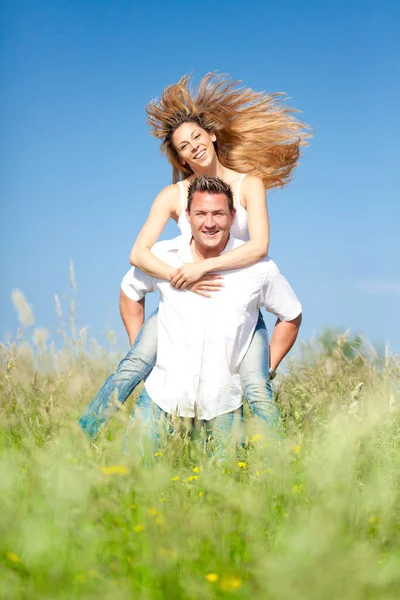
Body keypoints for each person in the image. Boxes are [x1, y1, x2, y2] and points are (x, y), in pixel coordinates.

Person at [79, 74, 309, 437]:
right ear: (181, 158)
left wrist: (206, 266)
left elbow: (259, 246)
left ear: (212, 136)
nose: (194, 147)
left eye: (197, 137)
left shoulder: (249, 185)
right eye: (184, 146)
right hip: (184, 304)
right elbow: (138, 253)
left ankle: (278, 466)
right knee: (133, 366)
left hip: (238, 308)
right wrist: (178, 275)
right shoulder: (173, 195)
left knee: (255, 387)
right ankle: (81, 438)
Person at [121, 175, 301, 455]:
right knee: (129, 478)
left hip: (224, 403)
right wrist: (141, 349)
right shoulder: (165, 256)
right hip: (161, 396)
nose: (209, 223)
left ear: (232, 216)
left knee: (223, 487)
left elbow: (291, 314)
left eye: (218, 213)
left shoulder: (259, 269)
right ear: (188, 217)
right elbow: (130, 291)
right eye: (201, 214)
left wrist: (269, 367)